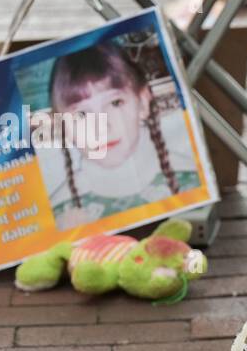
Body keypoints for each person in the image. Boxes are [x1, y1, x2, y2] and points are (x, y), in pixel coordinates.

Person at [42, 42, 200, 228]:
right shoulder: (57, 214)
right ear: (62, 125)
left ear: (142, 102)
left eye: (115, 103)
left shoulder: (192, 179)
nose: (101, 127)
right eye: (81, 115)